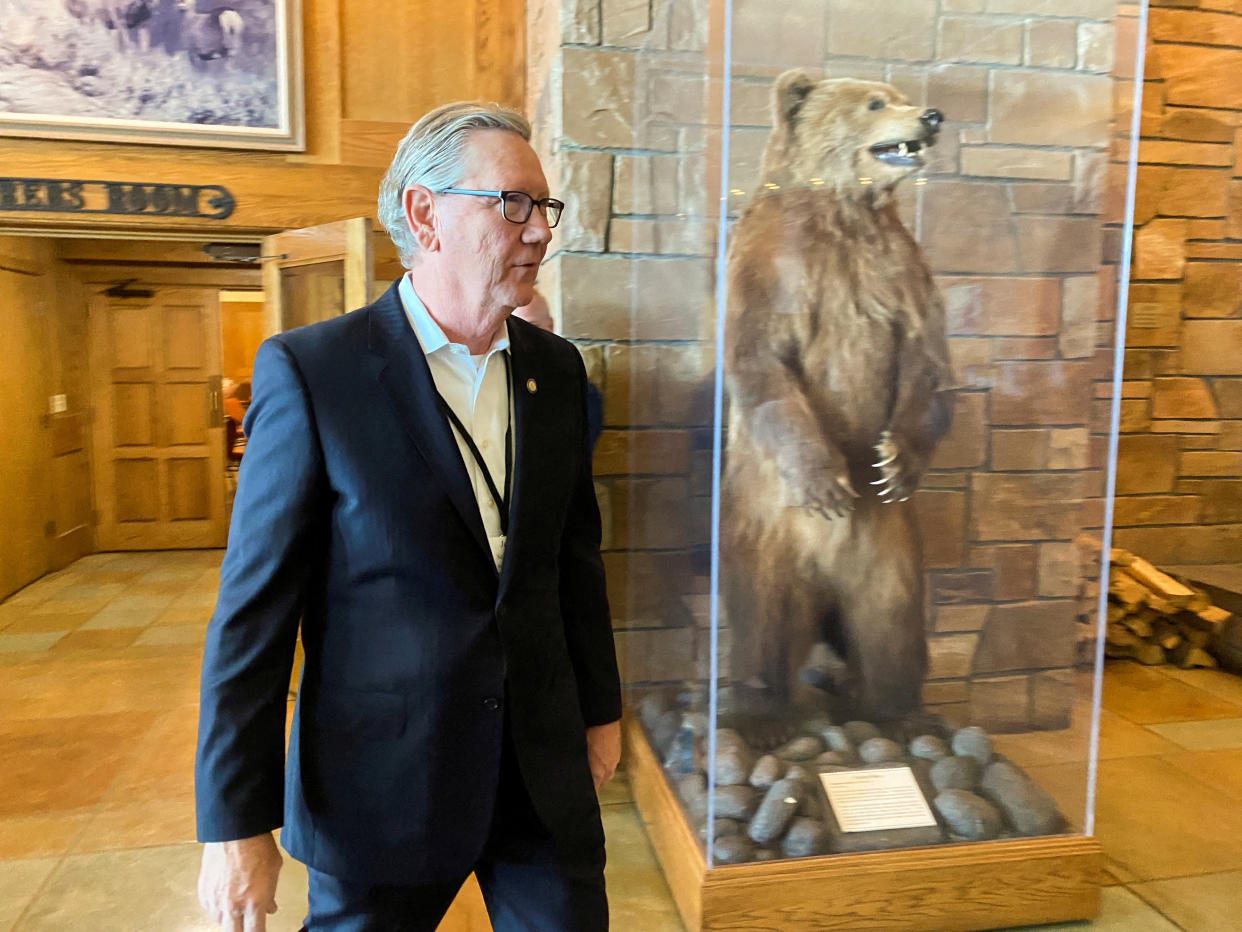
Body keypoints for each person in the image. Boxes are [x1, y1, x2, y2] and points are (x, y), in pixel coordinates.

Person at [195, 101, 622, 932]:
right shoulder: (315, 373)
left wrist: (599, 711)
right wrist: (236, 824)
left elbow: (574, 560)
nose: (539, 230)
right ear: (425, 213)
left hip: (540, 772)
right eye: (514, 204)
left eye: (546, 207)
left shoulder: (557, 372)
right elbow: (252, 617)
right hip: (382, 783)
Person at [513, 291, 603, 452]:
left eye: (531, 327)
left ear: (550, 327)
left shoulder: (580, 391)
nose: (522, 336)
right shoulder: (495, 382)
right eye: (513, 329)